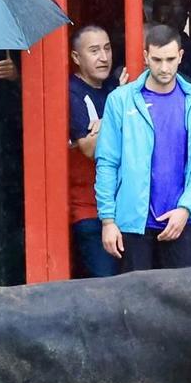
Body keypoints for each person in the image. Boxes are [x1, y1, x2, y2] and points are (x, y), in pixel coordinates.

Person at [94, 24, 191, 272]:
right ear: (145, 56)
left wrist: (185, 208)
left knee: (182, 306)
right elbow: (107, 162)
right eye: (157, 60)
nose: (164, 67)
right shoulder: (120, 99)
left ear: (181, 56)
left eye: (170, 59)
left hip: (179, 219)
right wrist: (107, 220)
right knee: (134, 307)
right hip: (132, 222)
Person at [67, 24, 122, 276]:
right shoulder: (71, 92)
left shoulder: (114, 88)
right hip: (89, 211)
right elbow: (89, 148)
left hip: (125, 208)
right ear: (76, 57)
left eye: (107, 49)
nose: (104, 57)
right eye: (94, 50)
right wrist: (115, 114)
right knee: (106, 289)